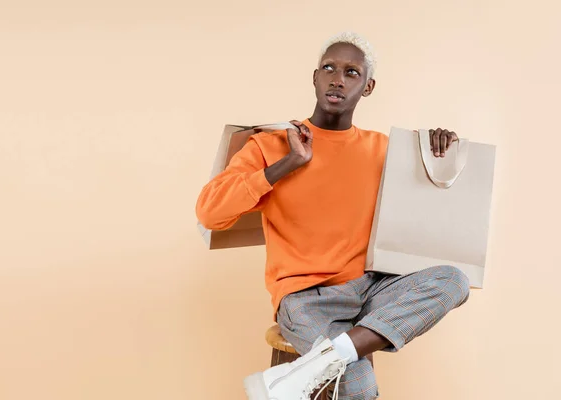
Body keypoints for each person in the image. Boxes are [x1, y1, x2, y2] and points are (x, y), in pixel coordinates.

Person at [195, 31, 470, 400]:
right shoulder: (270, 144)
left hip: (370, 287)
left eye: (351, 72)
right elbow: (210, 213)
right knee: (359, 386)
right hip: (304, 298)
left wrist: (438, 150)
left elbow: (426, 211)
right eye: (329, 68)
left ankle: (321, 361)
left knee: (454, 281)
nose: (338, 79)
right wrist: (288, 164)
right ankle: (334, 356)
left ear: (368, 86)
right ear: (315, 77)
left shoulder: (383, 149)